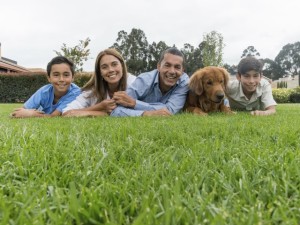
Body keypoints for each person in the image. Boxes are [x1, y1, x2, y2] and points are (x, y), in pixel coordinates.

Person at [110, 47, 189, 117]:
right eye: (167, 65)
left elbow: (170, 110)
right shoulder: (144, 80)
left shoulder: (184, 82)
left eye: (177, 67)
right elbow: (116, 111)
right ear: (158, 66)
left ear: (182, 71)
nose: (172, 71)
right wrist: (145, 114)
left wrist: (135, 103)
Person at [62, 48, 136, 117]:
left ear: (122, 66)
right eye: (104, 67)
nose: (110, 70)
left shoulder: (134, 83)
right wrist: (100, 107)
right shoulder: (92, 91)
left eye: (114, 64)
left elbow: (147, 108)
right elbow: (66, 113)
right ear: (99, 72)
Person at [10, 56, 81, 118]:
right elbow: (19, 112)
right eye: (56, 75)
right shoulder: (44, 91)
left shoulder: (76, 93)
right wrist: (23, 113)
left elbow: (54, 116)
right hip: (42, 112)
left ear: (73, 77)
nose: (61, 79)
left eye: (66, 75)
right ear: (49, 78)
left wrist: (32, 114)